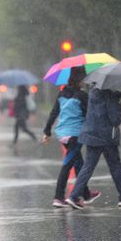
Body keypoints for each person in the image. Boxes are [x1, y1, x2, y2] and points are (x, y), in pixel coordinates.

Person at [66, 88, 121, 209]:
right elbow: (115, 120)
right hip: (106, 137)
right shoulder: (112, 95)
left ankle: (73, 196)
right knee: (115, 166)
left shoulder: (93, 92)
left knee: (88, 167)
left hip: (91, 134)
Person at [42, 66, 95, 208]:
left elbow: (54, 113)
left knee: (78, 163)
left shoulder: (62, 94)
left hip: (62, 134)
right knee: (67, 165)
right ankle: (58, 197)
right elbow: (88, 114)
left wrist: (47, 131)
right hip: (75, 135)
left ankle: (86, 193)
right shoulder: (82, 96)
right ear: (80, 80)